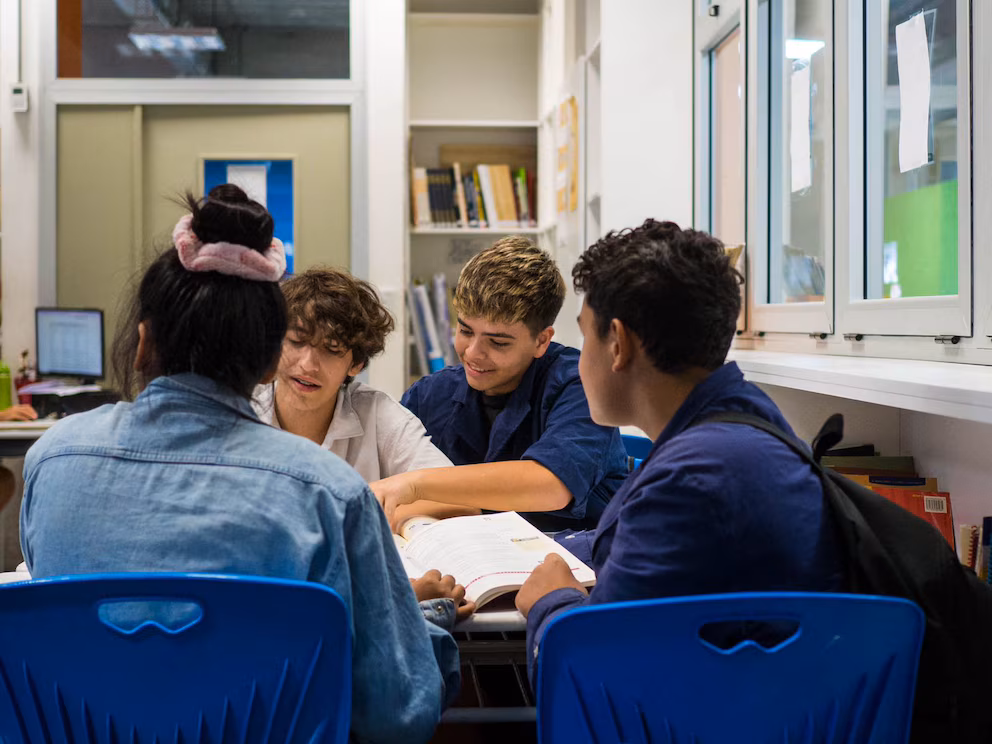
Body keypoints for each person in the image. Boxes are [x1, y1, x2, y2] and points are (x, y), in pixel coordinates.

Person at [20, 185, 468, 744]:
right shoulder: (329, 494)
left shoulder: (50, 461)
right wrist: (423, 622)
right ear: (266, 363)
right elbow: (394, 716)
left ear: (141, 344)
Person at [512, 219, 844, 684]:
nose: (579, 358)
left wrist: (550, 602)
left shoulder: (695, 480)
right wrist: (539, 549)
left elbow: (598, 675)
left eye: (586, 335)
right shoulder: (740, 420)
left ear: (619, 345)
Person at [372, 237, 628, 533]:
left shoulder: (579, 383)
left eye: (497, 342)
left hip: (578, 561)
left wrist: (415, 485)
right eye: (466, 330)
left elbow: (550, 484)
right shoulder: (429, 396)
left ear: (541, 341)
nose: (472, 353)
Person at [252, 267, 452, 483]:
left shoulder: (378, 416)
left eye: (331, 349)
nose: (307, 365)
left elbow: (452, 493)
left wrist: (380, 502)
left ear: (357, 363)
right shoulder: (238, 407)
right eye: (297, 341)